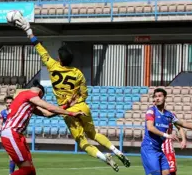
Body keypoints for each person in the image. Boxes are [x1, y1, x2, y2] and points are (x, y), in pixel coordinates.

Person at [9, 14, 129, 171]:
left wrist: (29, 31)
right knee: (93, 134)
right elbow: (85, 93)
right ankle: (116, 150)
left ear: (59, 58)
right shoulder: (78, 73)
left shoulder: (52, 66)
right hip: (81, 106)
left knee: (82, 142)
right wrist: (78, 99)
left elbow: (39, 48)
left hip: (66, 110)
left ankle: (103, 157)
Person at [1, 80, 85, 175]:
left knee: (31, 171)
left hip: (16, 135)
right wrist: (72, 113)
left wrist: (67, 106)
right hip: (12, 133)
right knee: (27, 169)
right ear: (40, 94)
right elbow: (49, 108)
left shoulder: (25, 99)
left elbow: (47, 113)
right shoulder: (30, 95)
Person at [141, 88, 192, 175]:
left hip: (158, 149)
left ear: (165, 97)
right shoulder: (151, 111)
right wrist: (167, 135)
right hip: (149, 149)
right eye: (155, 97)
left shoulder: (169, 115)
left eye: (160, 96)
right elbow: (150, 128)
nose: (157, 98)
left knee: (168, 173)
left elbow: (182, 124)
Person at [0, 96, 16, 175]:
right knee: (11, 155)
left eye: (10, 103)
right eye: (7, 103)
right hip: (8, 135)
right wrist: (1, 127)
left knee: (16, 156)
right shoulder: (3, 112)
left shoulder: (16, 111)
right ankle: (11, 173)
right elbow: (1, 122)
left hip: (15, 135)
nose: (9, 104)